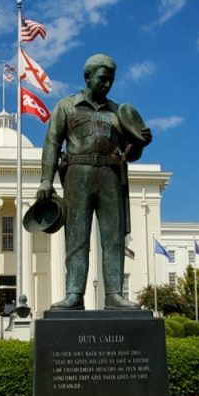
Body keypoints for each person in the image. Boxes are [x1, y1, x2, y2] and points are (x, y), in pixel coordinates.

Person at [36, 53, 151, 310]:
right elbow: (53, 142)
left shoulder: (118, 112)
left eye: (111, 80)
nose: (107, 84)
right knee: (77, 237)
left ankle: (114, 295)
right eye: (102, 79)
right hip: (78, 173)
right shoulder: (67, 107)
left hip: (111, 174)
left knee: (113, 237)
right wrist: (46, 179)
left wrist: (140, 143)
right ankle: (74, 293)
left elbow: (129, 152)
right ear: (88, 77)